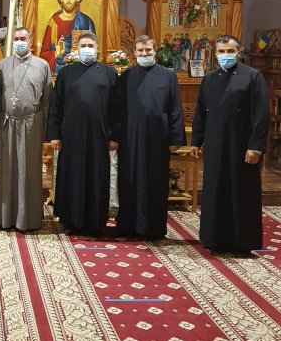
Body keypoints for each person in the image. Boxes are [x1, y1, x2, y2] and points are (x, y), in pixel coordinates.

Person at [190, 35, 269, 256]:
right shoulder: (209, 79)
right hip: (215, 144)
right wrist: (196, 141)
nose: (225, 55)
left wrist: (255, 146)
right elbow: (201, 112)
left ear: (239, 51)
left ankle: (242, 243)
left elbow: (261, 114)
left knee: (241, 191)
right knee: (215, 190)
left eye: (230, 51)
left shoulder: (252, 77)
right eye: (221, 52)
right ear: (215, 54)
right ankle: (215, 240)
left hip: (242, 146)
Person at [110, 35, 186, 240]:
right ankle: (128, 226)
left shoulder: (168, 76)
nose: (144, 54)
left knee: (156, 181)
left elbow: (174, 108)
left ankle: (154, 228)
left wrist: (175, 139)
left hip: (157, 137)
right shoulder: (125, 76)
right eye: (140, 51)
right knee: (129, 179)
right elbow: (117, 109)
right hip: (130, 136)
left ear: (155, 51)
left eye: (148, 50)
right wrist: (114, 136)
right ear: (134, 53)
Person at [48, 32, 117, 235]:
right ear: (77, 49)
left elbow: (117, 107)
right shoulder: (66, 73)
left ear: (97, 49)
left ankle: (96, 222)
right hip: (72, 135)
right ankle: (71, 220)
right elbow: (56, 105)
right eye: (83, 46)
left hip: (99, 135)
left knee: (97, 176)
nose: (87, 49)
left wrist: (115, 136)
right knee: (72, 175)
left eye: (90, 46)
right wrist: (54, 134)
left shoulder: (109, 73)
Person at [0, 27, 52, 231]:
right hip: (8, 123)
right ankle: (5, 217)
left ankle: (28, 218)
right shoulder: (3, 65)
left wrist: (46, 129)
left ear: (30, 40)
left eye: (23, 38)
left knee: (29, 171)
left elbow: (47, 100)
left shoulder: (42, 65)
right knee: (7, 170)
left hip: (31, 124)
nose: (19, 42)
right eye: (16, 38)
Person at [40, 0, 96, 73]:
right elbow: (43, 54)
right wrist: (56, 53)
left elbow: (94, 50)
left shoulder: (86, 21)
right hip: (58, 70)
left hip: (82, 70)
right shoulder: (54, 22)